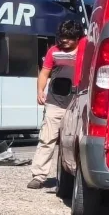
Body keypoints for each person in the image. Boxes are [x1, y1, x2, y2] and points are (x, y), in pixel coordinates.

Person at [27, 19, 84, 189]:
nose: (64, 40)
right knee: (47, 139)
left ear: (77, 37)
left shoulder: (85, 49)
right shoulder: (53, 51)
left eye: (68, 37)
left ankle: (73, 176)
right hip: (54, 102)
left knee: (74, 142)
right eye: (62, 37)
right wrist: (40, 91)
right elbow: (44, 73)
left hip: (77, 104)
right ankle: (38, 176)